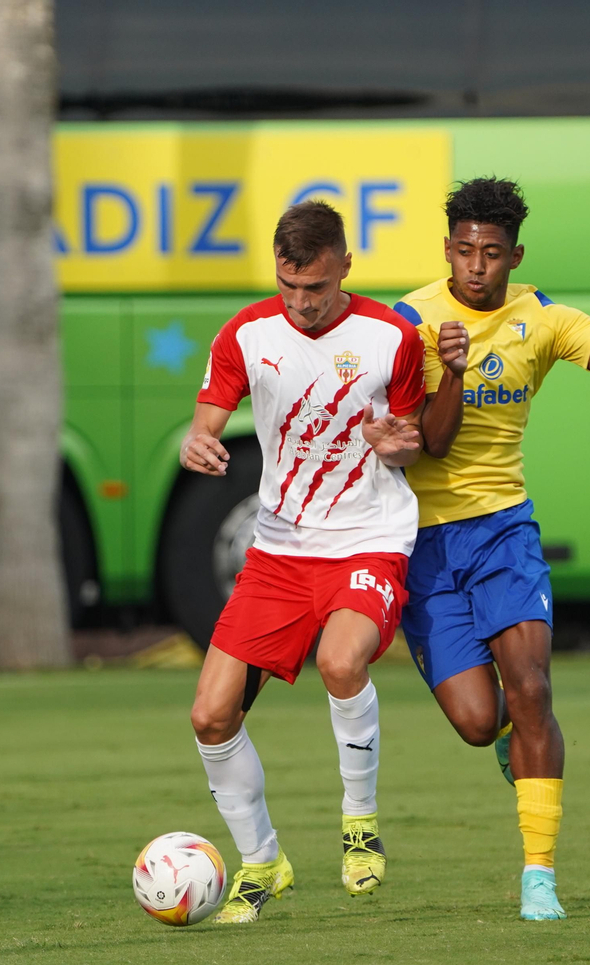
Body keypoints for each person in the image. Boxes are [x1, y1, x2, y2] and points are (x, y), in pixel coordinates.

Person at [393, 178, 590, 919]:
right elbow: (429, 442)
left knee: (534, 691)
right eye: (464, 251)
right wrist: (451, 370)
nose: (476, 266)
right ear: (447, 250)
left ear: (515, 254)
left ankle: (539, 875)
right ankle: (507, 739)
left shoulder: (542, 319)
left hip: (504, 533)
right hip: (422, 545)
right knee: (479, 720)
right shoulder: (410, 322)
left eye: (491, 253)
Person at [181, 200, 425, 923]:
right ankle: (262, 861)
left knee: (342, 662)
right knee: (210, 714)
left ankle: (360, 824)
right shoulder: (247, 334)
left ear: (345, 266)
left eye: (315, 289)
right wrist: (200, 445)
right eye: (289, 289)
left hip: (368, 537)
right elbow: (205, 422)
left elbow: (416, 437)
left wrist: (397, 444)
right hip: (281, 548)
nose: (302, 304)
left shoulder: (389, 337)